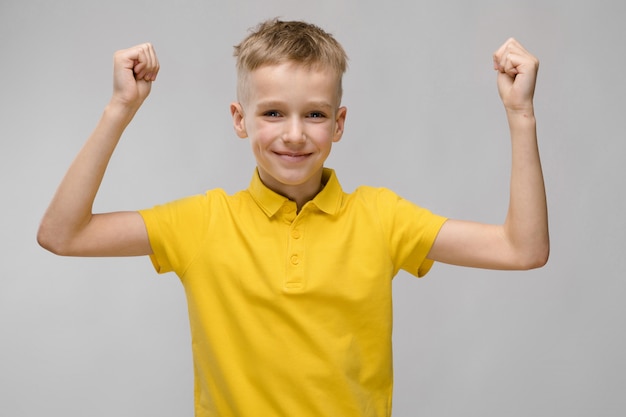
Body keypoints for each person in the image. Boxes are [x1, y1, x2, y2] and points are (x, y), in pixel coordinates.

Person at [37, 19, 549, 417]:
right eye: (274, 113)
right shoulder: (201, 222)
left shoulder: (382, 218)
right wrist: (119, 108)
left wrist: (520, 116)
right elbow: (62, 235)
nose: (295, 134)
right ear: (241, 120)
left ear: (339, 123)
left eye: (316, 114)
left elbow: (521, 250)